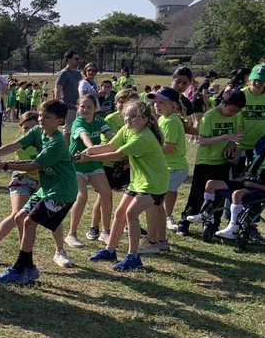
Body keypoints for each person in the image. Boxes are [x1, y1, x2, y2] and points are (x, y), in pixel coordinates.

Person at [0, 100, 78, 284]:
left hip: (61, 192)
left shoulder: (56, 142)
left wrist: (3, 165)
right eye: (41, 115)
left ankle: (19, 269)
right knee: (20, 217)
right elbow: (15, 145)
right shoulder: (37, 131)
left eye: (47, 117)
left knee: (28, 221)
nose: (41, 119)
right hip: (46, 189)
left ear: (59, 121)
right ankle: (29, 268)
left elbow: (33, 166)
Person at [80, 99, 169, 272]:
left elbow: (116, 154)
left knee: (131, 213)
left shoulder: (143, 137)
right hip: (138, 181)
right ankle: (110, 250)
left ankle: (133, 257)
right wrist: (89, 150)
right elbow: (110, 146)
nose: (128, 119)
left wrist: (88, 158)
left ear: (145, 120)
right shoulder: (127, 129)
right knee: (120, 212)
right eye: (126, 115)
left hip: (154, 183)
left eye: (133, 116)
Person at [192, 133, 265, 240]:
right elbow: (247, 175)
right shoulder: (260, 158)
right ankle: (206, 214)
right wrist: (234, 182)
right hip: (248, 183)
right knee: (211, 184)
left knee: (237, 194)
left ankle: (233, 227)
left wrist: (254, 184)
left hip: (262, 189)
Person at [0, 111, 43, 267]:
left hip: (42, 183)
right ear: (20, 128)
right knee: (17, 214)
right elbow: (31, 167)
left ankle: (59, 251)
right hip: (22, 179)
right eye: (26, 128)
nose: (29, 131)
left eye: (33, 128)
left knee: (50, 216)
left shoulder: (46, 142)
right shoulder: (23, 144)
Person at [180, 89, 246, 233]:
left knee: (219, 195)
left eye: (236, 112)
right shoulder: (209, 116)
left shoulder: (235, 117)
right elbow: (202, 141)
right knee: (197, 194)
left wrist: (232, 147)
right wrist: (224, 137)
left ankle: (213, 224)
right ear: (224, 102)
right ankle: (184, 223)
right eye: (231, 110)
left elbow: (233, 138)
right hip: (205, 162)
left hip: (222, 162)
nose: (233, 114)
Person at [64, 93, 112, 247]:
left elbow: (110, 136)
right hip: (76, 165)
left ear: (95, 108)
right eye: (82, 106)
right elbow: (85, 138)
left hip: (94, 164)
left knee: (107, 193)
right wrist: (93, 148)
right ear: (78, 107)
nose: (85, 109)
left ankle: (105, 232)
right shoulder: (77, 123)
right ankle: (71, 234)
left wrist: (118, 142)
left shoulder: (100, 121)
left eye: (89, 107)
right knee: (82, 196)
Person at [151, 87, 189, 233]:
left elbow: (168, 147)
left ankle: (158, 227)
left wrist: (147, 150)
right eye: (155, 102)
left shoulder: (171, 121)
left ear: (173, 104)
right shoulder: (163, 119)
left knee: (157, 200)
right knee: (165, 194)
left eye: (161, 102)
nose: (156, 105)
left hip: (173, 167)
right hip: (171, 167)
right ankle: (165, 219)